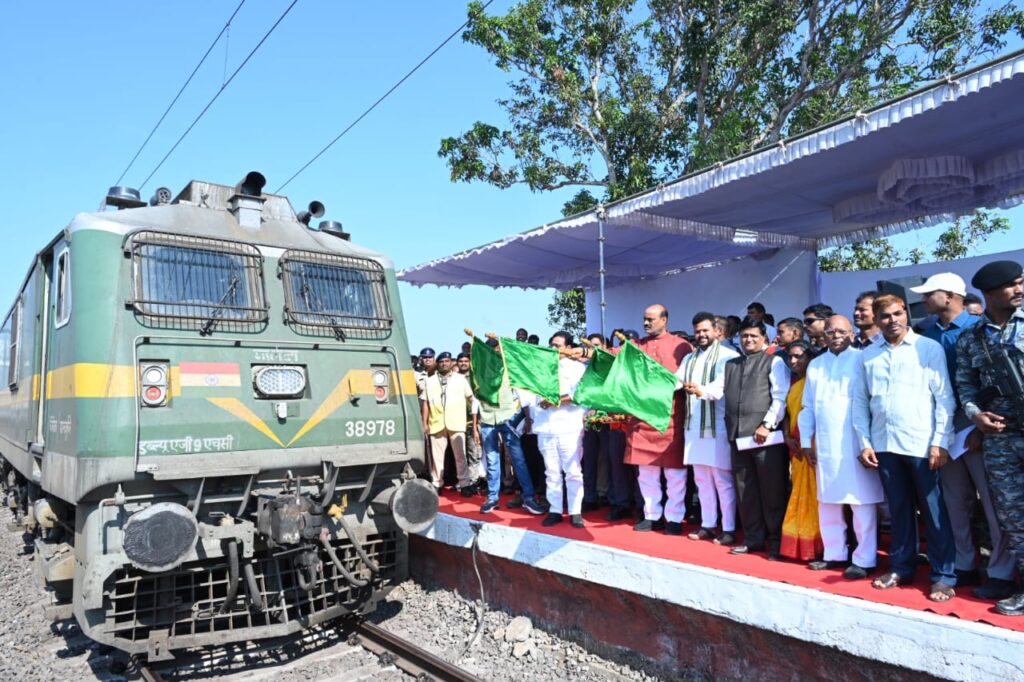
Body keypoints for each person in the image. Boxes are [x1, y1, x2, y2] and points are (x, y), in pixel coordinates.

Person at [914, 273, 1015, 599]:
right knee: (955, 503)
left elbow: (989, 384)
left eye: (929, 294)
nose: (923, 300)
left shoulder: (980, 330)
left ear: (949, 295)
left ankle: (1001, 572)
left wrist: (977, 428)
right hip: (944, 432)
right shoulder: (926, 335)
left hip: (981, 429)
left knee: (995, 506)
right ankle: (964, 564)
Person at [853, 294, 957, 602]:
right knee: (898, 511)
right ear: (876, 319)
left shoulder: (928, 348)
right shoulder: (868, 355)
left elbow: (944, 398)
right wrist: (865, 442)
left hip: (922, 443)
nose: (893, 320)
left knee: (934, 511)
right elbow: (860, 402)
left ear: (906, 314)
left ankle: (943, 575)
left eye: (898, 313)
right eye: (885, 316)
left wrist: (940, 441)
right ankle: (901, 567)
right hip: (884, 443)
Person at [955, 260, 1024, 615]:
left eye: (1021, 282)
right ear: (989, 292)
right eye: (1012, 285)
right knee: (1013, 515)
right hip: (1001, 439)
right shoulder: (972, 337)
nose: (1019, 289)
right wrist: (976, 415)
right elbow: (965, 385)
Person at [798, 315, 883, 579]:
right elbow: (808, 406)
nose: (835, 336)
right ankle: (834, 554)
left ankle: (865, 559)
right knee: (829, 502)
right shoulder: (816, 365)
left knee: (862, 503)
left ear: (851, 334)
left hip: (857, 443)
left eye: (841, 331)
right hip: (825, 444)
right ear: (823, 336)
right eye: (830, 332)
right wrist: (806, 441)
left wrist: (868, 443)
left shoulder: (862, 358)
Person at [723, 320, 790, 559]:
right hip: (737, 437)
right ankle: (753, 539)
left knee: (772, 491)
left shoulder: (774, 361)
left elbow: (780, 397)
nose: (748, 340)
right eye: (744, 336)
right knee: (745, 491)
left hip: (765, 438)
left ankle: (777, 542)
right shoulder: (731, 364)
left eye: (753, 336)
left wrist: (767, 424)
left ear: (764, 338)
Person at [625, 305, 693, 534]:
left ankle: (674, 518)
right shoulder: (636, 346)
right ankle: (651, 516)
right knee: (647, 473)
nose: (646, 323)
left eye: (651, 319)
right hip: (643, 418)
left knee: (675, 474)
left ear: (664, 320)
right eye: (644, 319)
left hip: (671, 417)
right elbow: (613, 355)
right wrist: (584, 352)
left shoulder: (682, 346)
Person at [678, 312, 739, 545]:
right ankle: (708, 524)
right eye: (698, 331)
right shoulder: (689, 358)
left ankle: (729, 528)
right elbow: (676, 381)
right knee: (702, 480)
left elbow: (720, 388)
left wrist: (700, 390)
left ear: (717, 331)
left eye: (705, 330)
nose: (701, 335)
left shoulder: (729, 356)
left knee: (722, 480)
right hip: (694, 426)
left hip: (717, 427)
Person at [524, 332, 588, 528]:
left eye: (557, 345)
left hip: (569, 426)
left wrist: (556, 401)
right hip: (545, 426)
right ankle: (555, 510)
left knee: (573, 472)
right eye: (551, 345)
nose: (553, 349)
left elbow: (581, 395)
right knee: (551, 472)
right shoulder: (541, 368)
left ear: (568, 347)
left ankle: (575, 511)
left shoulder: (578, 368)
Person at [477, 341, 545, 516]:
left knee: (518, 460)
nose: (496, 354)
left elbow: (523, 396)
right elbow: (476, 397)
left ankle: (528, 498)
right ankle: (492, 498)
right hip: (487, 420)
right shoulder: (480, 371)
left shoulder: (511, 369)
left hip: (508, 420)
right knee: (492, 461)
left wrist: (527, 418)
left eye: (499, 351)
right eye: (493, 351)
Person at [779, 341, 823, 561]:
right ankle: (796, 544)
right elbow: (787, 414)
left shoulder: (818, 382)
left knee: (816, 499)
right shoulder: (794, 384)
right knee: (798, 494)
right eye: (790, 357)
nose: (793, 361)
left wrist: (809, 443)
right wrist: (787, 437)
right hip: (795, 448)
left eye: (799, 356)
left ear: (810, 358)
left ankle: (818, 547)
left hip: (813, 448)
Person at [421, 352, 478, 496]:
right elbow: (425, 403)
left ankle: (464, 484)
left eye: (447, 361)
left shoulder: (460, 379)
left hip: (457, 422)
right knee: (437, 458)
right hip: (436, 423)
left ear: (451, 363)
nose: (444, 364)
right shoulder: (429, 381)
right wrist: (424, 423)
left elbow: (472, 399)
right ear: (437, 363)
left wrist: (476, 418)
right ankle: (437, 484)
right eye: (441, 361)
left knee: (460, 456)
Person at [456, 351, 484, 489]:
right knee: (461, 453)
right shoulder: (453, 378)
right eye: (461, 361)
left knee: (474, 452)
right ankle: (464, 480)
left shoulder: (475, 378)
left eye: (466, 361)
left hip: (474, 419)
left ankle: (474, 480)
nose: (463, 363)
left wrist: (477, 420)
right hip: (457, 419)